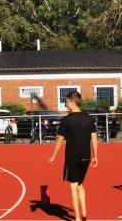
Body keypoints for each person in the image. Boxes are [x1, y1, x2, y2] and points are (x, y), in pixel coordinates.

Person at [48, 91, 98, 221]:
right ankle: (84, 211)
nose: (66, 103)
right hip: (86, 157)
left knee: (73, 186)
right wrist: (95, 156)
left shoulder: (66, 120)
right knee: (80, 184)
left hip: (72, 158)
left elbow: (59, 140)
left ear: (72, 101)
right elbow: (94, 139)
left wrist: (53, 156)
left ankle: (77, 217)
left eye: (67, 101)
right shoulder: (89, 119)